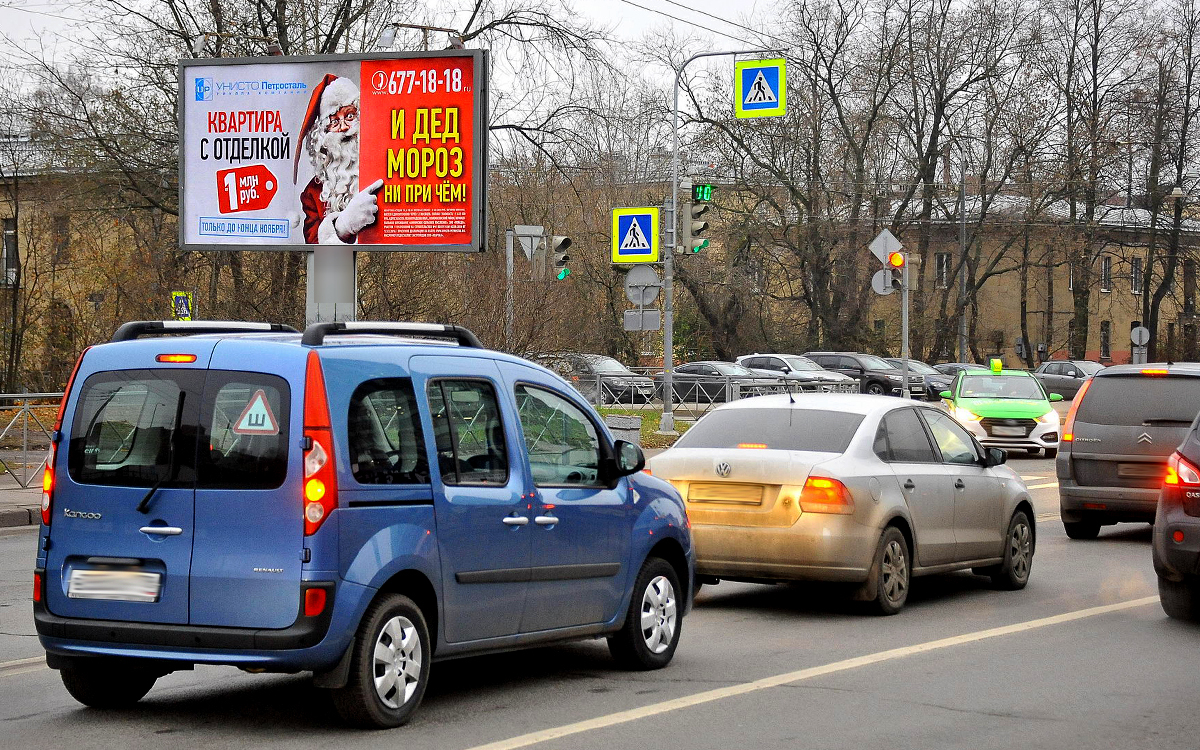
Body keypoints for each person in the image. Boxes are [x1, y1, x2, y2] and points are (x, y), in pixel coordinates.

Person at [292, 74, 382, 244]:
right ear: (322, 135)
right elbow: (314, 245)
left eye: (349, 116)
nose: (344, 128)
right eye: (334, 122)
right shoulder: (313, 193)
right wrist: (342, 226)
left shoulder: (385, 170)